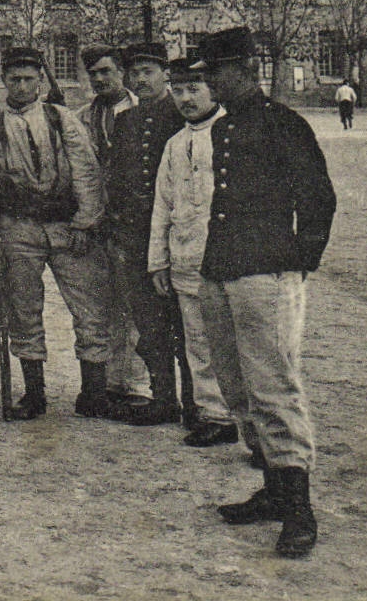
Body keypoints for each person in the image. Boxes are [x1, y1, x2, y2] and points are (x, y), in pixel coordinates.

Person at [190, 27, 336, 559]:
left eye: (215, 73)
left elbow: (318, 198)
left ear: (242, 71)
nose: (209, 83)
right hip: (221, 269)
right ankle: (274, 490)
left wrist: (298, 261)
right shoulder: (224, 127)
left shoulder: (283, 124)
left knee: (273, 387)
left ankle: (299, 507)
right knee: (235, 387)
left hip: (264, 273)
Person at [0, 46, 109, 421]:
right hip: (18, 229)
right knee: (23, 310)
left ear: (40, 81)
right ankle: (35, 394)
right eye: (14, 79)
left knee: (89, 307)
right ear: (4, 82)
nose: (21, 86)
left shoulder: (60, 118)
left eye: (29, 79)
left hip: (66, 227)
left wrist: (86, 221)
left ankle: (94, 392)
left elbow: (86, 171)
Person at [146, 60, 239, 447]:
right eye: (178, 89)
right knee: (197, 341)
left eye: (194, 89)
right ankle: (213, 415)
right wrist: (159, 260)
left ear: (212, 89)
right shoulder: (174, 143)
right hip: (185, 260)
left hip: (229, 261)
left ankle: (249, 421)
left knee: (235, 342)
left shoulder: (233, 134)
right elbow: (163, 205)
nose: (185, 98)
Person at [99, 43, 192, 428]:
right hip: (136, 236)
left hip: (176, 236)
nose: (140, 80)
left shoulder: (183, 113)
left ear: (165, 74)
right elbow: (117, 178)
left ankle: (197, 401)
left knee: (186, 323)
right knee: (149, 324)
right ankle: (164, 397)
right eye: (134, 73)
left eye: (148, 72)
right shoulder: (127, 121)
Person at [76, 44, 151, 411]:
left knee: (135, 302)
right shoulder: (82, 117)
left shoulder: (143, 113)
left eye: (106, 71)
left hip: (133, 222)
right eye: (94, 73)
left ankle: (137, 381)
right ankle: (108, 378)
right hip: (96, 222)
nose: (100, 79)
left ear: (122, 72)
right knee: (100, 302)